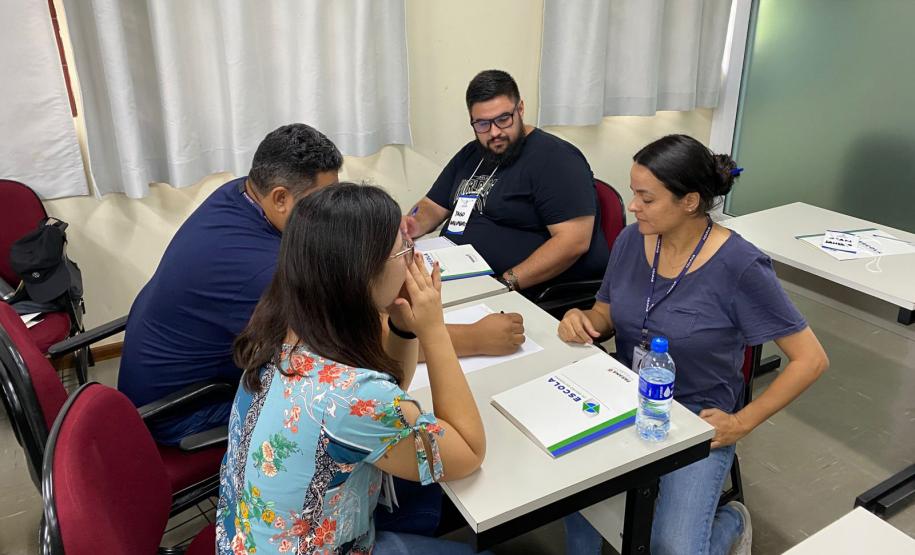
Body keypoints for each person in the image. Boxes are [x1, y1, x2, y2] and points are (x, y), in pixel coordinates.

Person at [119, 123, 524, 447]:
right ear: (280, 197)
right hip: (185, 410)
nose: (331, 212)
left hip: (190, 372)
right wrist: (474, 336)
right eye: (322, 200)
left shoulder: (243, 194)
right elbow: (362, 341)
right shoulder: (262, 270)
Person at [558, 135, 829, 555]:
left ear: (690, 201)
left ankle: (732, 523)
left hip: (698, 415)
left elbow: (810, 360)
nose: (633, 207)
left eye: (646, 198)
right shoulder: (632, 241)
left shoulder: (740, 265)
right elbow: (606, 313)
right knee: (574, 499)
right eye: (633, 193)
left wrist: (743, 422)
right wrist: (584, 320)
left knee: (674, 546)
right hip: (627, 396)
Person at [217, 183, 488, 554]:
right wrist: (433, 329)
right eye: (404, 250)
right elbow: (469, 452)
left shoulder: (281, 327)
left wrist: (403, 327)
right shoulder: (355, 396)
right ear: (365, 274)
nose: (413, 261)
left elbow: (392, 386)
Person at [403, 69, 609, 296]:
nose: (494, 133)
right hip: (456, 273)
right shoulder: (473, 153)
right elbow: (433, 204)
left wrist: (505, 283)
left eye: (503, 119)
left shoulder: (556, 160)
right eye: (482, 124)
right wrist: (414, 223)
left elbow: (573, 242)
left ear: (520, 109)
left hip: (519, 289)